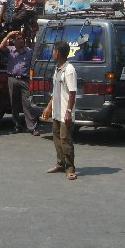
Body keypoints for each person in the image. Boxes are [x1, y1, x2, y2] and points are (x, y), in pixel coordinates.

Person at [42, 41, 78, 180]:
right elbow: (56, 92)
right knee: (57, 139)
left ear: (58, 53)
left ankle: (70, 168)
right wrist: (49, 107)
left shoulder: (69, 70)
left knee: (65, 140)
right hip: (56, 112)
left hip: (65, 113)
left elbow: (73, 92)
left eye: (54, 51)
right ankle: (60, 164)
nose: (52, 53)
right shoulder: (57, 69)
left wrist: (68, 111)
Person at [0, 30, 38, 135]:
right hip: (12, 79)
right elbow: (0, 47)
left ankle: (31, 127)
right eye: (18, 39)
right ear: (14, 41)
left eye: (22, 39)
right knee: (14, 104)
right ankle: (17, 126)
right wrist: (8, 35)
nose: (21, 41)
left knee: (27, 104)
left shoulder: (29, 51)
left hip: (25, 80)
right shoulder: (10, 50)